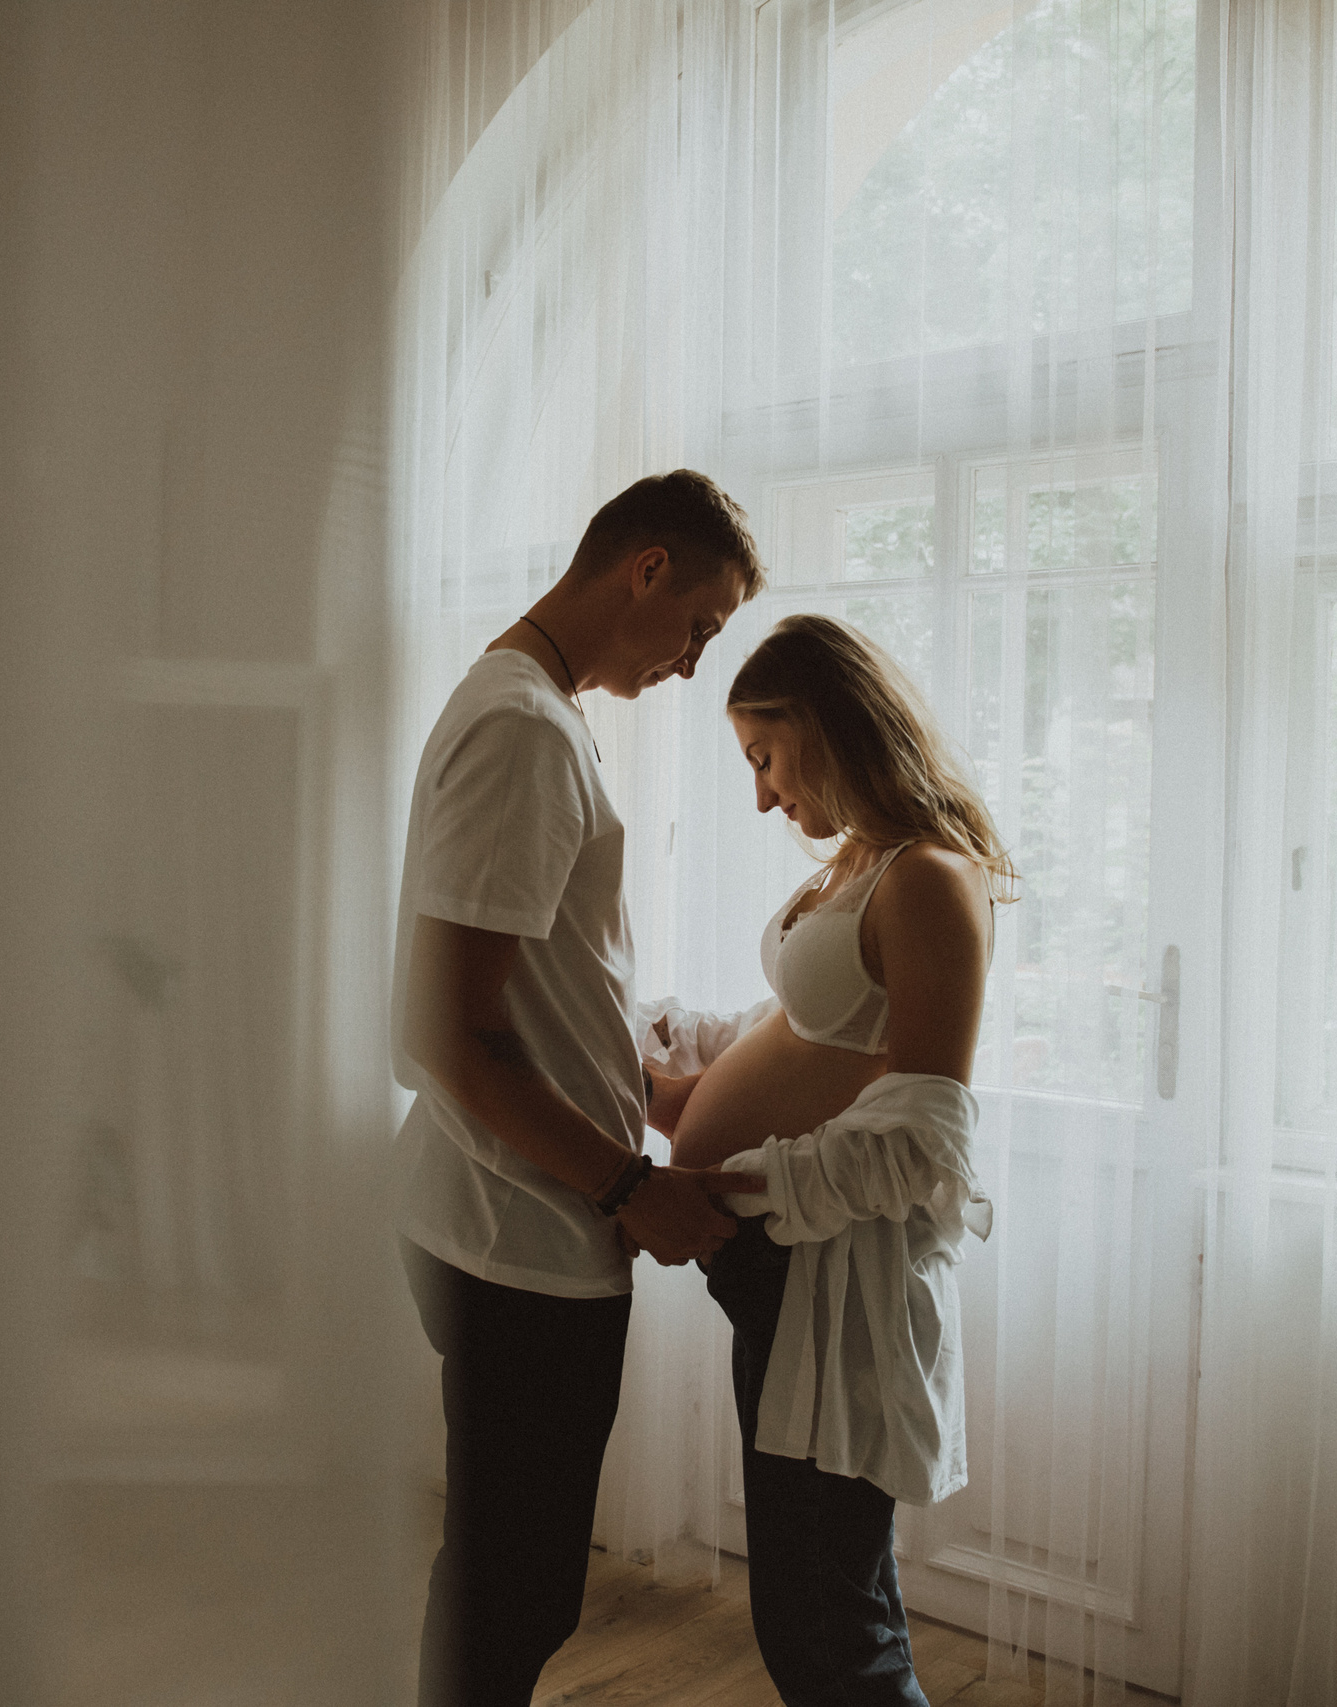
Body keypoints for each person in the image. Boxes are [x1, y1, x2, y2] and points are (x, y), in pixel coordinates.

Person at [392, 470, 770, 1707]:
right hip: (521, 1233)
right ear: (645, 568)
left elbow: (540, 978)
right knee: (516, 1585)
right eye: (701, 627)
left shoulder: (536, 709)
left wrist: (640, 1082)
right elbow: (447, 1032)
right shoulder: (522, 728)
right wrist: (627, 1185)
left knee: (517, 1575)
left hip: (524, 1216)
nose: (691, 666)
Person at [640, 613, 1009, 1707]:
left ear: (824, 724)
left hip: (832, 1277)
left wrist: (736, 1180)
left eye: (763, 756)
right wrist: (681, 1078)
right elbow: (806, 1035)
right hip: (781, 1268)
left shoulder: (929, 877)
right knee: (817, 1601)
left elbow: (924, 1134)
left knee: (826, 1623)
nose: (759, 795)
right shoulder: (859, 863)